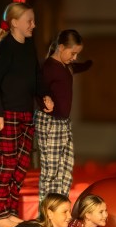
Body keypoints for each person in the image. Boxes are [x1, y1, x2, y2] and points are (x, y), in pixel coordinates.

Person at [0, 2, 54, 227]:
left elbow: (36, 76)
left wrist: (44, 95)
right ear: (14, 23)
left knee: (21, 166)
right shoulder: (5, 48)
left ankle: (10, 210)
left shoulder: (28, 46)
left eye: (33, 20)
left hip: (26, 114)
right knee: (6, 164)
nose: (33, 25)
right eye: (29, 21)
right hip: (7, 114)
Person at [35, 29, 91, 202]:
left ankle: (60, 207)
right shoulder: (48, 67)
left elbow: (79, 66)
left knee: (65, 169)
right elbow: (38, 86)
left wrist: (90, 63)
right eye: (73, 53)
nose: (75, 57)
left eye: (77, 54)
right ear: (60, 47)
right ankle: (46, 211)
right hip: (49, 122)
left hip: (64, 123)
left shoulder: (67, 67)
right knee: (51, 171)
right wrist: (45, 98)